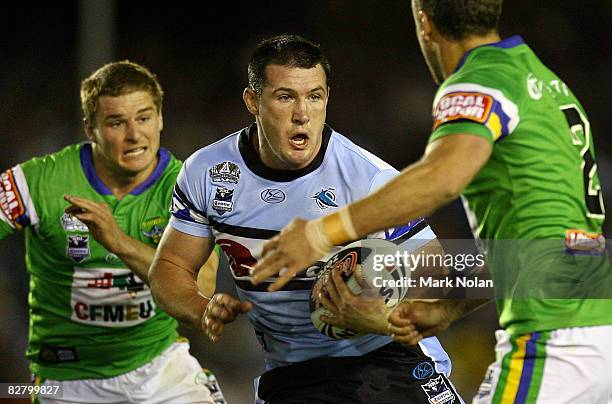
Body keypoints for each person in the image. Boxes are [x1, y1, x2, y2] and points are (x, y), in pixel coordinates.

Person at [252, 1, 612, 403]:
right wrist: (447, 310)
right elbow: (535, 246)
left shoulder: (479, 81)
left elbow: (442, 177)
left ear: (423, 21)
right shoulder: (544, 83)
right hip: (596, 321)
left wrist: (322, 232)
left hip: (555, 338)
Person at [150, 35, 463, 403]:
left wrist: (381, 313)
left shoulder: (368, 178)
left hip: (389, 362)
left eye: (314, 97)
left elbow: (435, 268)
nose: (303, 114)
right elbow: (170, 267)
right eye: (285, 97)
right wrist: (202, 307)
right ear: (253, 101)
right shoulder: (207, 172)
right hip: (292, 376)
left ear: (327, 99)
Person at [0, 60, 225, 404]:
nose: (134, 135)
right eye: (117, 122)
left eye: (144, 118)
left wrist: (118, 243)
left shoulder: (188, 188)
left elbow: (199, 294)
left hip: (159, 370)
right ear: (90, 129)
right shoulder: (36, 183)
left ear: (160, 118)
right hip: (66, 380)